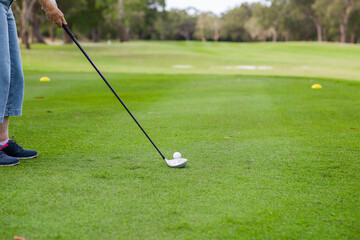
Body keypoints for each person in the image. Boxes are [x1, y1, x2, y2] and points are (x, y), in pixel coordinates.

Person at [0, 0, 67, 166]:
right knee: (1, 74)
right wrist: (50, 7)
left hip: (5, 6)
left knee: (13, 75)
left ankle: (3, 141)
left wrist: (53, 6)